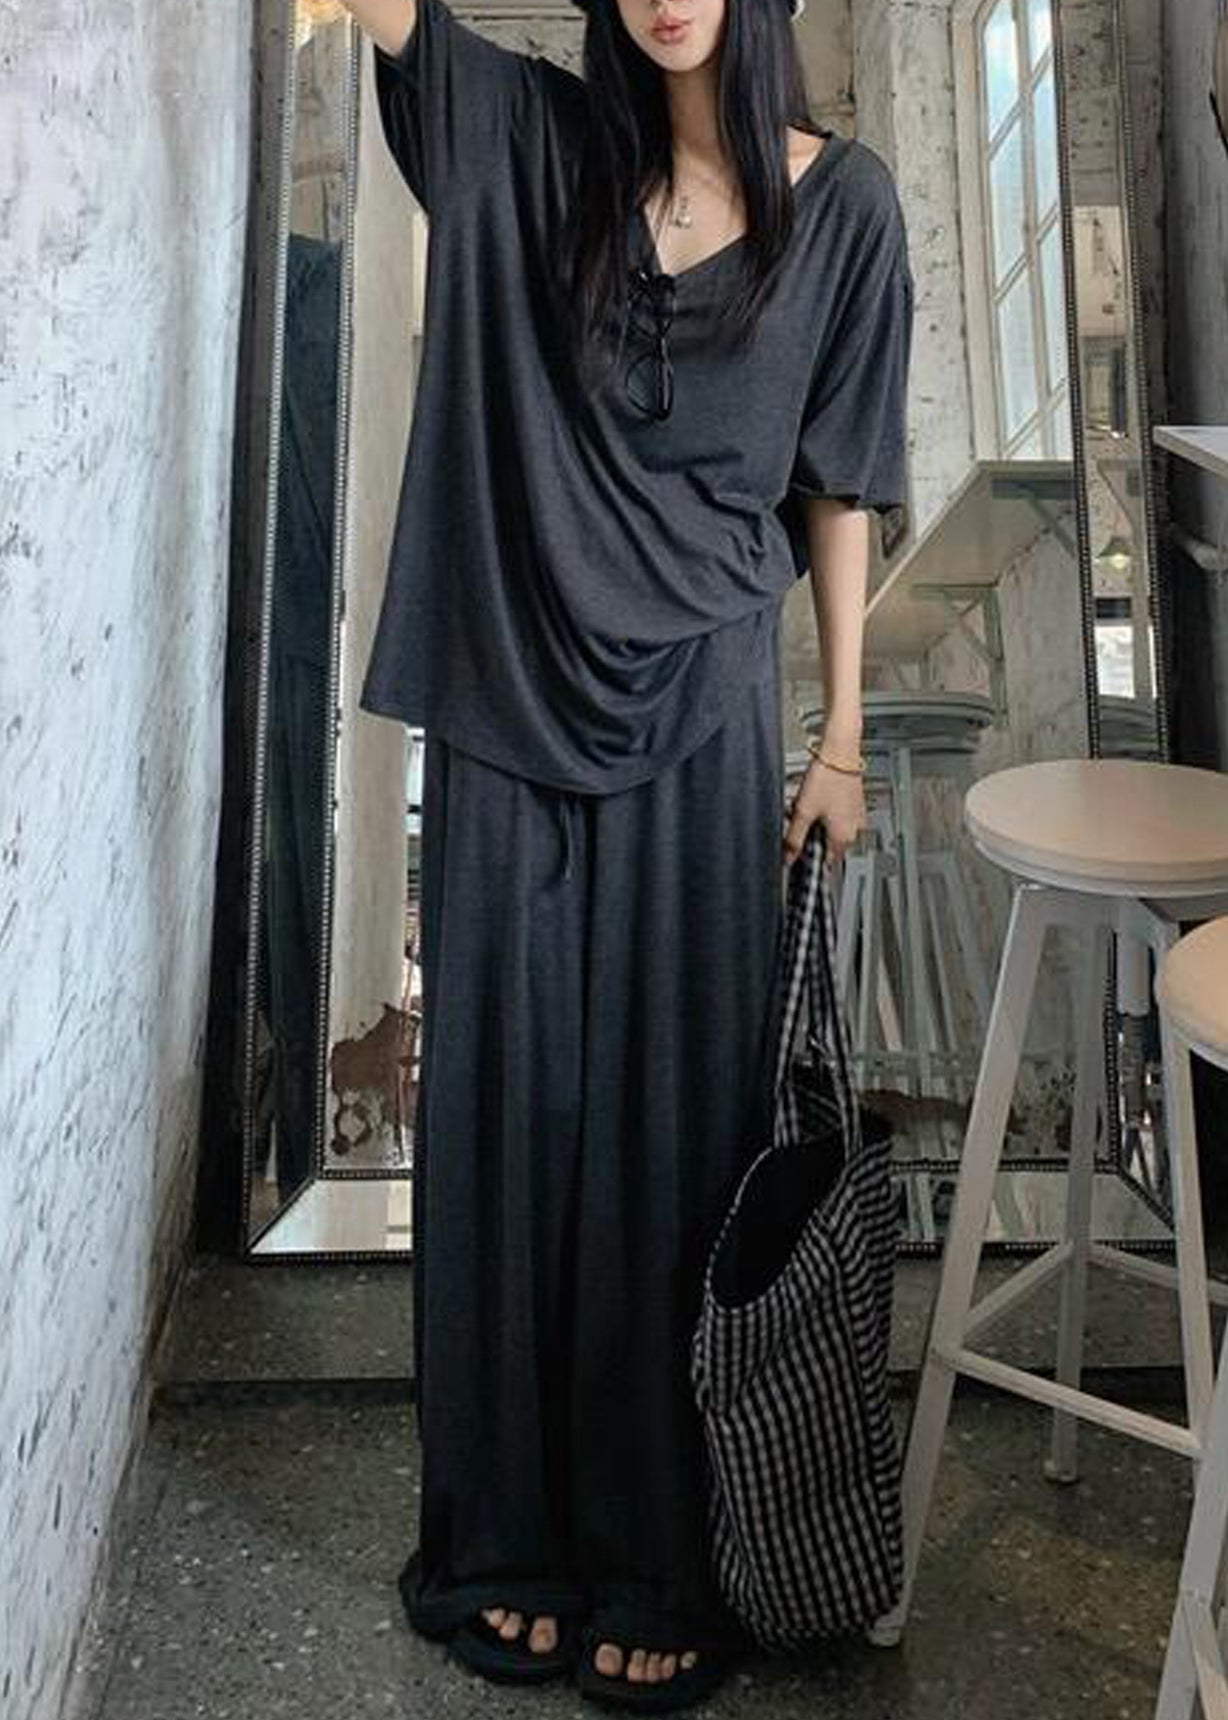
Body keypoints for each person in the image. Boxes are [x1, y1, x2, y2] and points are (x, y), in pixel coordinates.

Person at [339, 0, 914, 1707]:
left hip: (708, 703)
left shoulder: (848, 208)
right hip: (514, 686)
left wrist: (843, 735)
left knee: (678, 1125)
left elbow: (839, 483)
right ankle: (508, 1541)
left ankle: (665, 1553)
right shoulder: (537, 142)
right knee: (509, 1114)